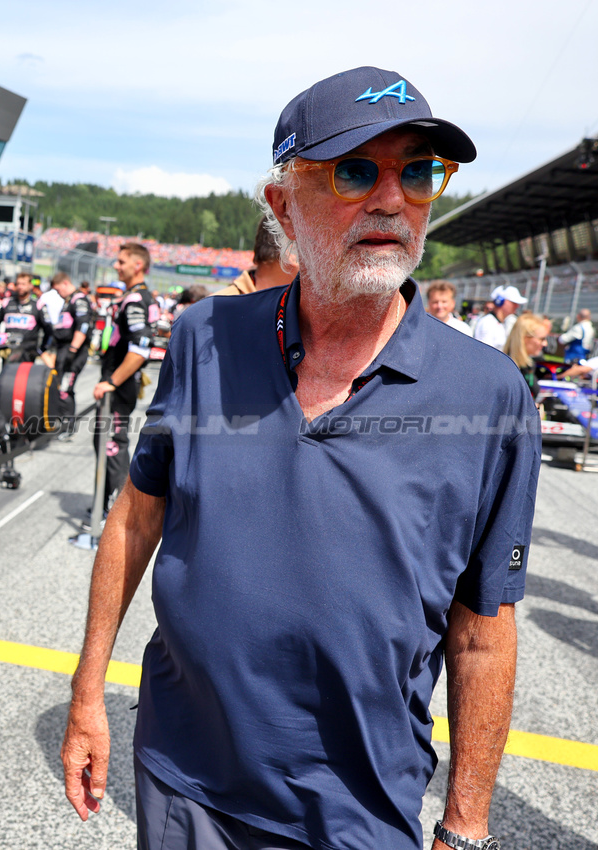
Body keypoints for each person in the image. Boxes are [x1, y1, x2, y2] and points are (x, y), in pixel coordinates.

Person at [63, 67, 540, 850]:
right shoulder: (203, 338)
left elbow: (483, 629)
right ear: (282, 204)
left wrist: (466, 824)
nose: (389, 199)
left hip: (357, 811)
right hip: (181, 777)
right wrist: (87, 692)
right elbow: (133, 518)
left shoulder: (487, 394)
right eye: (355, 170)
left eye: (416, 173)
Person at [90, 243, 153, 518]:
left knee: (113, 445)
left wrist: (112, 382)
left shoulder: (137, 300)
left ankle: (118, 512)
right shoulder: (131, 296)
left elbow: (141, 349)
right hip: (118, 385)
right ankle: (104, 504)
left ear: (137, 265)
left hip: (119, 387)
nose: (116, 266)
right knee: (104, 442)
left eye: (121, 261)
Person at [0, 271, 52, 363]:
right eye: (18, 284)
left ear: (30, 285)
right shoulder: (6, 303)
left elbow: (48, 329)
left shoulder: (38, 305)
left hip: (28, 353)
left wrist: (41, 349)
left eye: (23, 284)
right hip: (9, 352)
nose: (20, 287)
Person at [49, 272, 92, 395]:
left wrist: (73, 350)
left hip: (73, 353)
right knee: (59, 388)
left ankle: (66, 415)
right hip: (63, 350)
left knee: (65, 391)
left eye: (58, 289)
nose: (58, 293)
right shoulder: (69, 300)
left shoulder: (79, 299)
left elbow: (83, 325)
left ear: (65, 283)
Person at [504, 312, 556, 395]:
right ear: (524, 338)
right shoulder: (507, 370)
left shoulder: (527, 365)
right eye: (541, 339)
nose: (545, 344)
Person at [473, 285, 526, 350]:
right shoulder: (488, 323)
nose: (517, 306)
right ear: (500, 301)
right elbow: (484, 351)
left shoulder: (498, 323)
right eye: (513, 303)